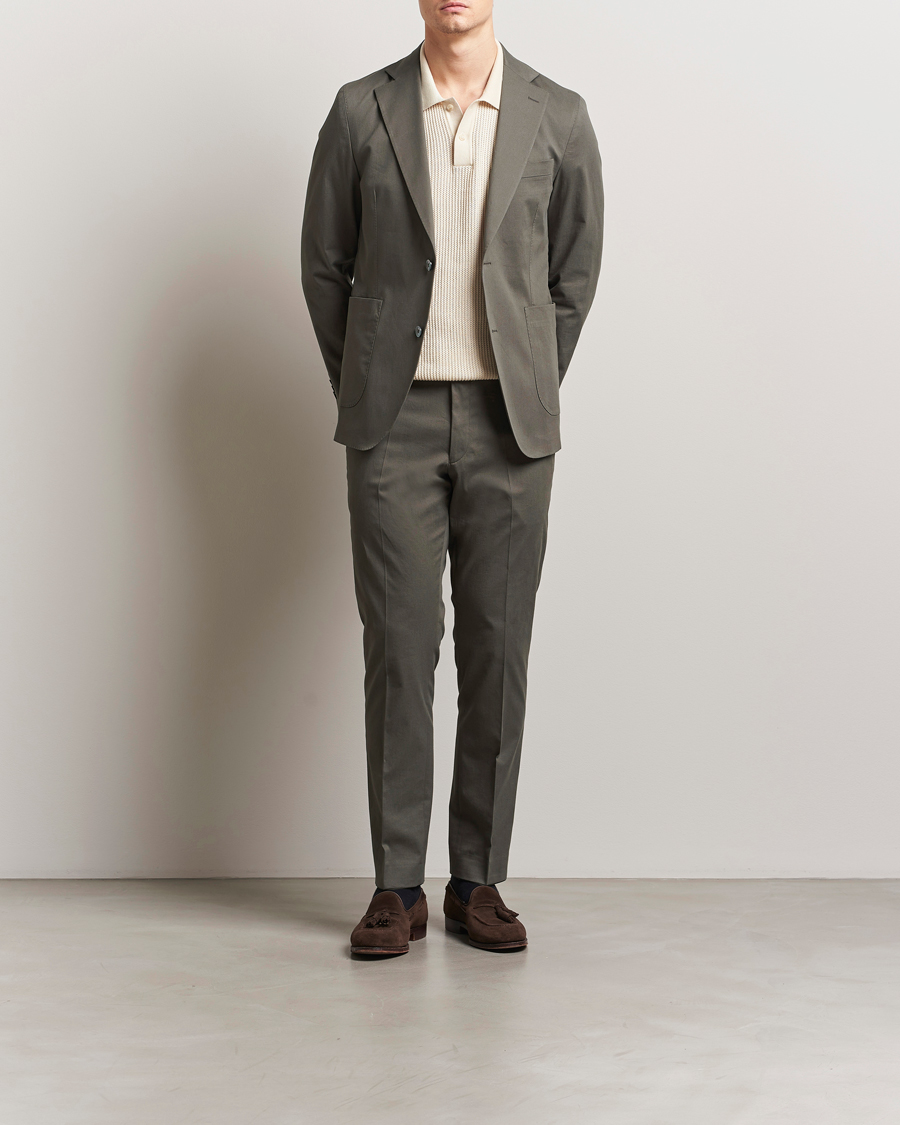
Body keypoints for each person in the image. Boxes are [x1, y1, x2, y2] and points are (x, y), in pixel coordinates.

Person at [301, 0, 603, 956]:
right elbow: (324, 266)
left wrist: (529, 377)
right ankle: (397, 884)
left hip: (511, 427)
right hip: (391, 424)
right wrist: (368, 377)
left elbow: (573, 275)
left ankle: (477, 879)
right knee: (399, 649)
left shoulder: (558, 114)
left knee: (497, 652)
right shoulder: (362, 109)